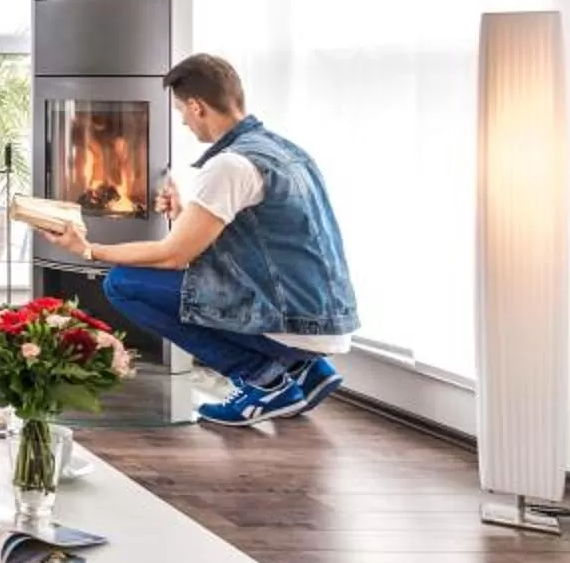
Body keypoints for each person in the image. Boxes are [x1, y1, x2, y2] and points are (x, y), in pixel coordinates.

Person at [42, 53, 358, 430]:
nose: (183, 121)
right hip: (324, 317)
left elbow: (173, 256)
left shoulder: (229, 165)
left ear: (197, 106)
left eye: (181, 111)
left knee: (122, 284)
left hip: (291, 320)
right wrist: (183, 216)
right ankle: (306, 371)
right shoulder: (283, 151)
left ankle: (264, 379)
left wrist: (88, 249)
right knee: (157, 281)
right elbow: (258, 243)